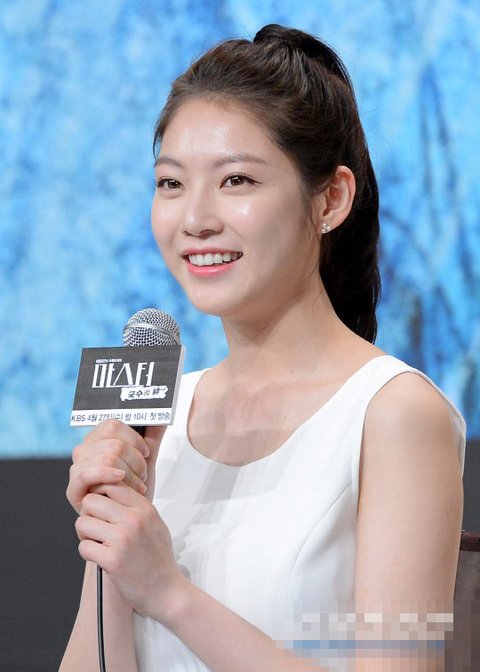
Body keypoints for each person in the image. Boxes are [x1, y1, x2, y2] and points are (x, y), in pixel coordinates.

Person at [60, 24, 465, 672]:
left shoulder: (395, 414)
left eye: (237, 180)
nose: (196, 219)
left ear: (331, 198)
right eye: (171, 183)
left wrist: (170, 595)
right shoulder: (161, 414)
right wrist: (114, 542)